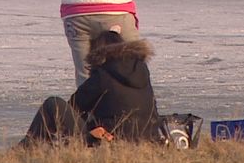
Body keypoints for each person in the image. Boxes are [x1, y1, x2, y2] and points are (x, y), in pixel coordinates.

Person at [20, 30, 162, 146]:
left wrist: (90, 130)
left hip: (111, 141)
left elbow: (74, 106)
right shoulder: (142, 70)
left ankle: (27, 147)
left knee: (53, 105)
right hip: (148, 138)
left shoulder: (102, 75)